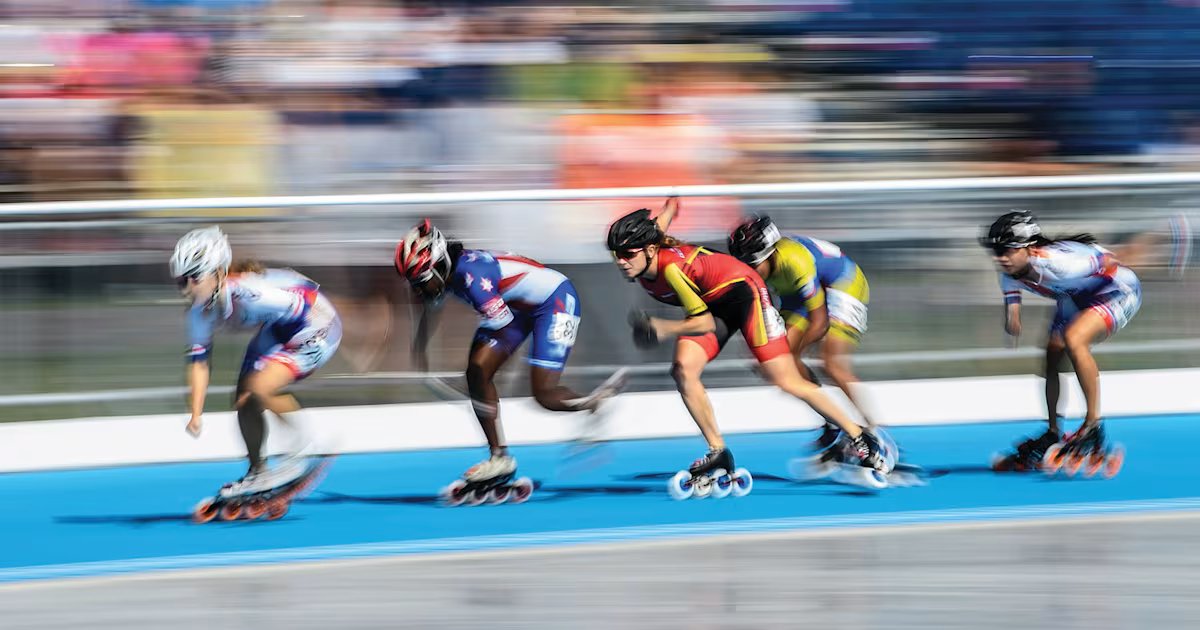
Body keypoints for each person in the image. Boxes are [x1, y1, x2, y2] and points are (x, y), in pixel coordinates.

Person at [607, 206, 892, 493]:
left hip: (747, 294)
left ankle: (859, 438)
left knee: (786, 379)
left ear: (651, 250)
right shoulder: (648, 257)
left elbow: (703, 322)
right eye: (616, 253)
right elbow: (658, 230)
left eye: (627, 254)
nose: (620, 261)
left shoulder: (670, 269)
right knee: (683, 371)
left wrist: (662, 328)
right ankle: (718, 452)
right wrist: (671, 205)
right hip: (715, 301)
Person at [397, 219, 626, 500]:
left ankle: (594, 403)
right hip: (516, 306)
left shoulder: (471, 277)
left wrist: (491, 374)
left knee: (543, 394)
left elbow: (500, 321)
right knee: (477, 372)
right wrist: (420, 348)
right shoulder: (446, 273)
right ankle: (499, 457)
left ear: (441, 264)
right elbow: (431, 307)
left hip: (555, 300)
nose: (418, 290)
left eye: (421, 281)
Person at [172, 226, 341, 497]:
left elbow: (305, 306)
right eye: (181, 281)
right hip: (279, 325)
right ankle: (257, 471)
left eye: (193, 278)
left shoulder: (251, 293)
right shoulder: (197, 313)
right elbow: (199, 363)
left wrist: (273, 367)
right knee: (243, 398)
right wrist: (196, 412)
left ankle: (302, 447)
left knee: (260, 386)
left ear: (217, 274)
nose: (186, 288)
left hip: (316, 320)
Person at [981, 210, 1137, 475]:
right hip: (1074, 297)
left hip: (1116, 291)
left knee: (1074, 339)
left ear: (1029, 248)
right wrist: (1012, 318)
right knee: (1051, 354)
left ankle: (1092, 424)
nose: (1001, 258)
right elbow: (1011, 298)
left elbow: (1112, 261)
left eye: (1007, 250)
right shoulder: (1008, 272)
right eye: (996, 252)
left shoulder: (1062, 263)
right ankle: (1053, 431)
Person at [722, 215, 876, 452]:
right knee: (777, 364)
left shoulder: (795, 261)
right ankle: (833, 422)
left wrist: (796, 351)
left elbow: (819, 321)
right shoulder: (763, 266)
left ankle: (873, 430)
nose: (747, 272)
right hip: (799, 293)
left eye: (752, 267)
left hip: (842, 283)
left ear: (768, 255)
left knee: (832, 364)